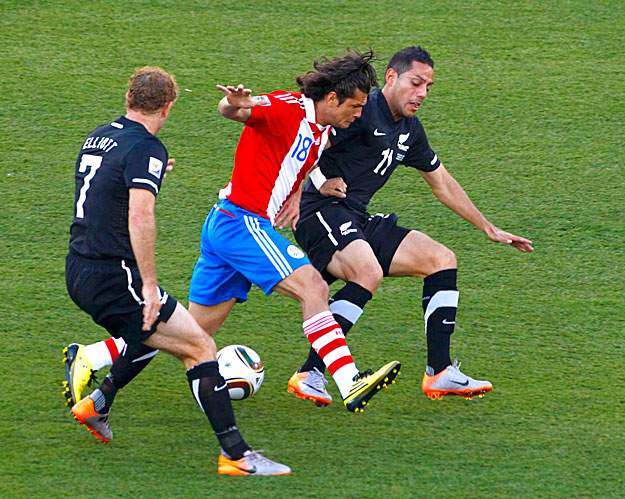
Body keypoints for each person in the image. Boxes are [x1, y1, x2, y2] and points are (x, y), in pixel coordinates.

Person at [63, 50, 401, 415]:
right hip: (241, 222)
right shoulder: (287, 107)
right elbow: (237, 111)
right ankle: (349, 381)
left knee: (191, 332)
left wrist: (296, 196)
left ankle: (94, 377)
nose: (360, 113)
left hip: (226, 226)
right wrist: (232, 103)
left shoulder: (324, 130)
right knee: (314, 288)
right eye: (355, 105)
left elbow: (300, 157)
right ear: (332, 99)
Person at [277, 46, 534, 406]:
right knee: (367, 272)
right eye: (416, 83)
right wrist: (317, 179)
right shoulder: (361, 111)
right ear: (392, 77)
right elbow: (307, 137)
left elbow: (441, 183)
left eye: (428, 86)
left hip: (356, 217)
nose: (423, 93)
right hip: (321, 212)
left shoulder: (410, 131)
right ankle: (311, 373)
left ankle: (440, 373)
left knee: (440, 259)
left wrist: (488, 228)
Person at [65, 67, 290, 476]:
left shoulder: (99, 135)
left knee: (155, 334)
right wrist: (149, 285)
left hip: (78, 267)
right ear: (168, 107)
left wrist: (146, 173)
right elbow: (139, 214)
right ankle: (237, 456)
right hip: (115, 276)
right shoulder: (147, 148)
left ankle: (96, 405)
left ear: (129, 98)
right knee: (200, 347)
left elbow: (103, 183)